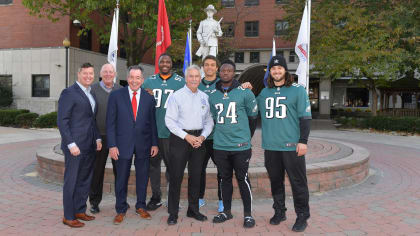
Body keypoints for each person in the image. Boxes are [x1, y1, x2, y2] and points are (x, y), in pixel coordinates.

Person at [256, 55, 311, 232]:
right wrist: (242, 89)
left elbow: (305, 118)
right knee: (276, 181)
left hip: (291, 146)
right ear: (270, 72)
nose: (276, 71)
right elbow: (251, 110)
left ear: (285, 70)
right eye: (273, 69)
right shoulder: (264, 93)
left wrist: (303, 141)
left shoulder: (298, 90)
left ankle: (302, 215)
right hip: (271, 146)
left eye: (280, 68)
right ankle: (279, 211)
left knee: (298, 182)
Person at [198, 55, 254, 212]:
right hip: (204, 136)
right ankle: (199, 198)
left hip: (221, 138)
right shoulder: (197, 85)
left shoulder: (229, 86)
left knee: (224, 174)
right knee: (200, 169)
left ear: (217, 69)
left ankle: (223, 202)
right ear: (203, 67)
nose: (209, 67)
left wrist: (246, 136)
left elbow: (251, 116)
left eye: (212, 65)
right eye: (206, 65)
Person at [208, 60, 258, 228]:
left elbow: (253, 118)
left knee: (242, 179)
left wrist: (245, 138)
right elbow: (214, 119)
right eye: (223, 70)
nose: (226, 73)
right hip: (220, 146)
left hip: (240, 146)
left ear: (234, 73)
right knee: (224, 179)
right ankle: (226, 211)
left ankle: (248, 215)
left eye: (229, 70)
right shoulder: (213, 95)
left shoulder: (244, 92)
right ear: (219, 73)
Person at [106, 65, 159, 225]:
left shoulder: (149, 98)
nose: (134, 80)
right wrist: (112, 145)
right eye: (131, 77)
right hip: (122, 145)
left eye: (138, 78)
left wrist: (154, 143)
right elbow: (110, 123)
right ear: (127, 78)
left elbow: (152, 123)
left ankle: (141, 206)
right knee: (121, 178)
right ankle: (120, 209)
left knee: (143, 177)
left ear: (142, 80)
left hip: (143, 144)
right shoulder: (116, 96)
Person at [165, 65, 214, 225]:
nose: (194, 79)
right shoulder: (176, 96)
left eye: (196, 76)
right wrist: (186, 136)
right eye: (191, 76)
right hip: (180, 139)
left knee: (196, 176)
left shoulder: (204, 97)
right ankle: (172, 213)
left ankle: (193, 209)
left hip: (198, 141)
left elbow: (209, 121)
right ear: (186, 78)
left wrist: (203, 136)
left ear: (200, 79)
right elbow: (169, 121)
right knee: (176, 177)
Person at [57, 62, 102, 228]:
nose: (88, 76)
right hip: (75, 146)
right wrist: (70, 144)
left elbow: (92, 120)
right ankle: (68, 216)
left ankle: (79, 210)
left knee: (84, 179)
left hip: (89, 145)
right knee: (72, 180)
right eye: (85, 73)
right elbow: (62, 121)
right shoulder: (69, 93)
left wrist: (97, 138)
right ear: (78, 74)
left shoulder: (91, 93)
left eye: (91, 73)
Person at [142, 53, 185, 211]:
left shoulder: (181, 82)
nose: (165, 63)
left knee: (173, 168)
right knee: (153, 167)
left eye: (168, 61)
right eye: (162, 61)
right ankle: (156, 197)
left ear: (172, 64)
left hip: (172, 134)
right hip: (153, 133)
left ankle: (173, 198)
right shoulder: (149, 81)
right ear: (158, 64)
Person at [88, 63, 122, 214]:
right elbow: (89, 116)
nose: (108, 74)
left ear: (115, 74)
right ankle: (94, 202)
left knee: (120, 171)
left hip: (117, 138)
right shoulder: (93, 90)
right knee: (97, 171)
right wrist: (95, 137)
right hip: (99, 137)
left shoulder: (121, 90)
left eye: (111, 71)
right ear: (100, 74)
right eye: (105, 72)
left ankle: (121, 202)